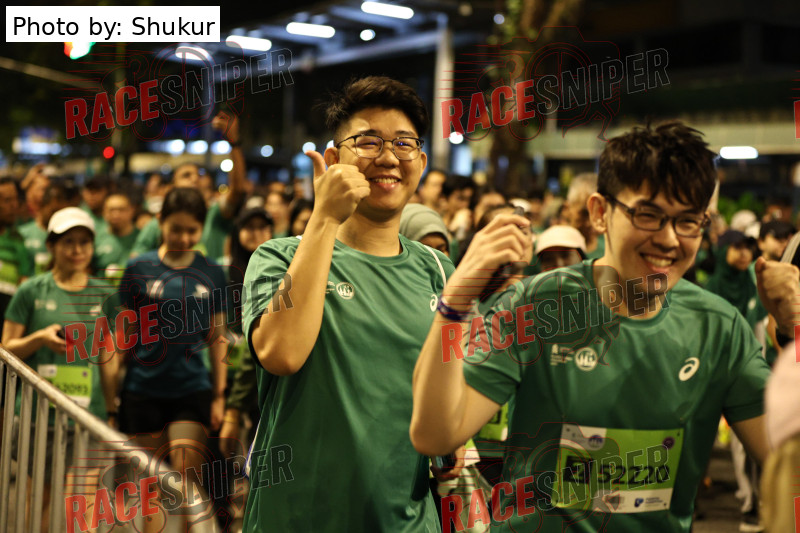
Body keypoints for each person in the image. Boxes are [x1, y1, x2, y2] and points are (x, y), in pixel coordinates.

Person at [410, 121, 799, 532]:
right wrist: (454, 303)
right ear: (600, 213)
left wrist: (794, 330)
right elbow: (436, 436)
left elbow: (787, 459)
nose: (669, 239)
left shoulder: (719, 328)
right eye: (648, 215)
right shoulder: (537, 305)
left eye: (688, 221)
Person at [241, 75, 453, 532]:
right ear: (335, 160)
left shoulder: (439, 271)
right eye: (369, 142)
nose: (389, 157)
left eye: (404, 143)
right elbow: (282, 353)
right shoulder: (278, 257)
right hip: (294, 521)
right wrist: (324, 217)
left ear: (420, 161)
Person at [108, 187, 230, 532]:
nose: (184, 238)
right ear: (160, 222)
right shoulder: (139, 268)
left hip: (191, 388)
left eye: (192, 230)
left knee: (185, 477)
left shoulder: (212, 272)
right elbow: (123, 334)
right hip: (143, 388)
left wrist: (219, 395)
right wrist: (111, 396)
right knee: (153, 484)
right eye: (176, 229)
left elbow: (218, 338)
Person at [2, 206, 114, 532]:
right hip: (39, 417)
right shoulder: (31, 291)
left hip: (88, 415)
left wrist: (111, 409)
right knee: (40, 499)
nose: (77, 250)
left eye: (84, 242)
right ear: (51, 246)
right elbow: (6, 348)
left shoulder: (105, 295)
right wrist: (38, 339)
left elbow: (108, 357)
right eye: (68, 242)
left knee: (84, 501)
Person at [0, 176, 33, 335]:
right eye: (7, 200)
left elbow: (23, 279)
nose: (14, 206)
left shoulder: (17, 239)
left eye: (15, 200)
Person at [93, 192, 139, 285]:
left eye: (121, 210)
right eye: (111, 210)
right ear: (104, 212)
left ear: (131, 210)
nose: (116, 214)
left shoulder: (142, 238)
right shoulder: (95, 238)